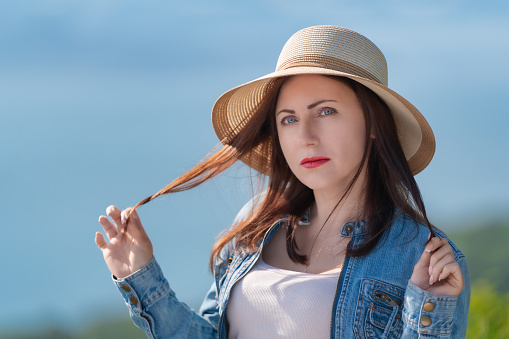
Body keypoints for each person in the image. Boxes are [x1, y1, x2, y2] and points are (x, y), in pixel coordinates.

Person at [95, 25, 470, 338]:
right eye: (288, 119)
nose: (306, 135)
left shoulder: (421, 258)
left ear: (374, 124)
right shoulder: (256, 223)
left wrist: (430, 311)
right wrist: (140, 275)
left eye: (326, 111)